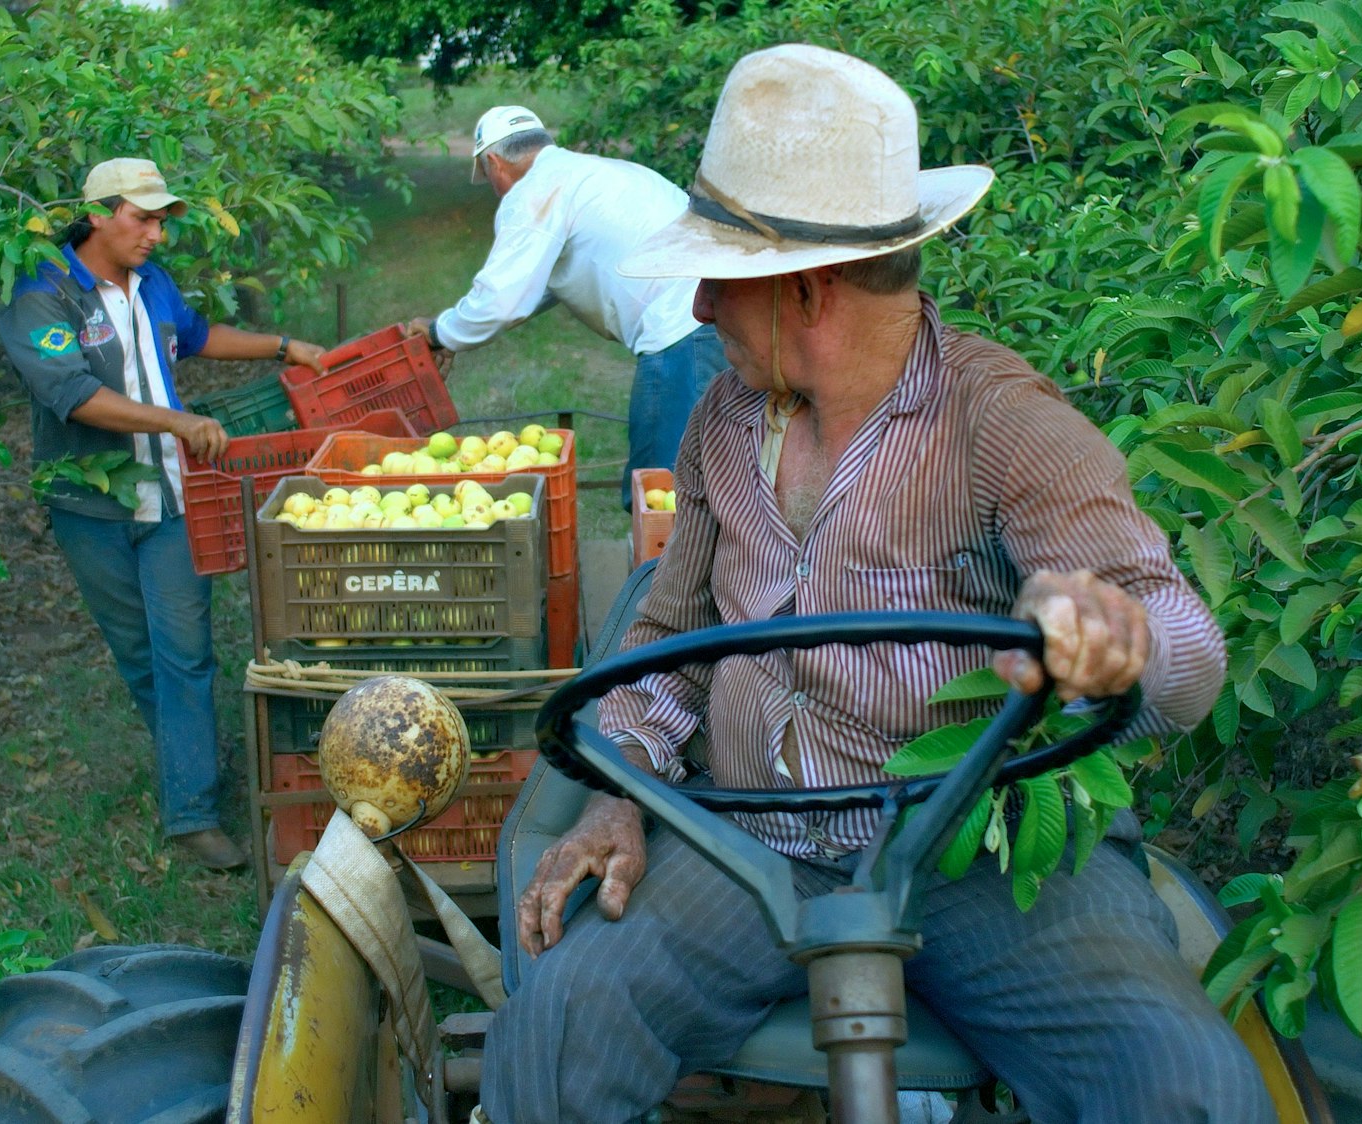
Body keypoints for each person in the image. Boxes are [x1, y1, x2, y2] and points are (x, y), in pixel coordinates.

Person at [480, 46, 1273, 1123]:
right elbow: (672, 628)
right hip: (743, 837)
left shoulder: (1005, 421)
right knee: (562, 1016)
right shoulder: (722, 420)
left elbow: (1178, 638)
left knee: (1182, 1081)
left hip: (969, 847)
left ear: (803, 289)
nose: (702, 304)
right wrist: (624, 788)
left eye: (719, 276)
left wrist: (1113, 636)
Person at [0, 158, 328, 870]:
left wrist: (282, 346)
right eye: (141, 219)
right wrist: (172, 423)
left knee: (185, 648)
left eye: (160, 219)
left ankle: (192, 813)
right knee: (140, 654)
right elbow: (72, 394)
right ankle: (190, 757)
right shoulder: (43, 289)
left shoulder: (152, 283)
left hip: (176, 499)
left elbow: (197, 335)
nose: (155, 233)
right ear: (97, 214)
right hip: (94, 502)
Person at [403, 106, 727, 499]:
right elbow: (535, 289)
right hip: (719, 317)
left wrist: (439, 332)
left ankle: (666, 562)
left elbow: (503, 301)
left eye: (488, 178)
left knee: (662, 488)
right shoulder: (591, 174)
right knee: (714, 475)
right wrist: (448, 336)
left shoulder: (535, 192)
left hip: (681, 331)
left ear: (494, 162)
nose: (494, 189)